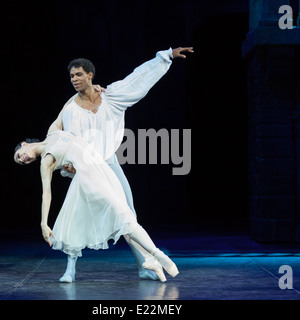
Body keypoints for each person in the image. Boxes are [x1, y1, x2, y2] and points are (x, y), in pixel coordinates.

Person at [47, 47, 193, 281]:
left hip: (110, 165)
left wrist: (165, 56)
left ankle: (144, 266)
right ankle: (70, 269)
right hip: (86, 169)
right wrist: (66, 163)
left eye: (78, 74)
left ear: (90, 75)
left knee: (128, 216)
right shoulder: (70, 108)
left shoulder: (111, 97)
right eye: (71, 76)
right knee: (77, 215)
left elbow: (138, 79)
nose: (74, 79)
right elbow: (57, 134)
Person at [13, 130, 179, 282]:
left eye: (19, 156)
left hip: (101, 169)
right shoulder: (46, 161)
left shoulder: (52, 132)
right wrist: (43, 223)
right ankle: (158, 256)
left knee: (122, 218)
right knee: (121, 217)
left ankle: (152, 259)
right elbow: (46, 193)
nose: (22, 160)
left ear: (24, 144)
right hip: (89, 180)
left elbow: (68, 107)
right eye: (21, 162)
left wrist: (94, 95)